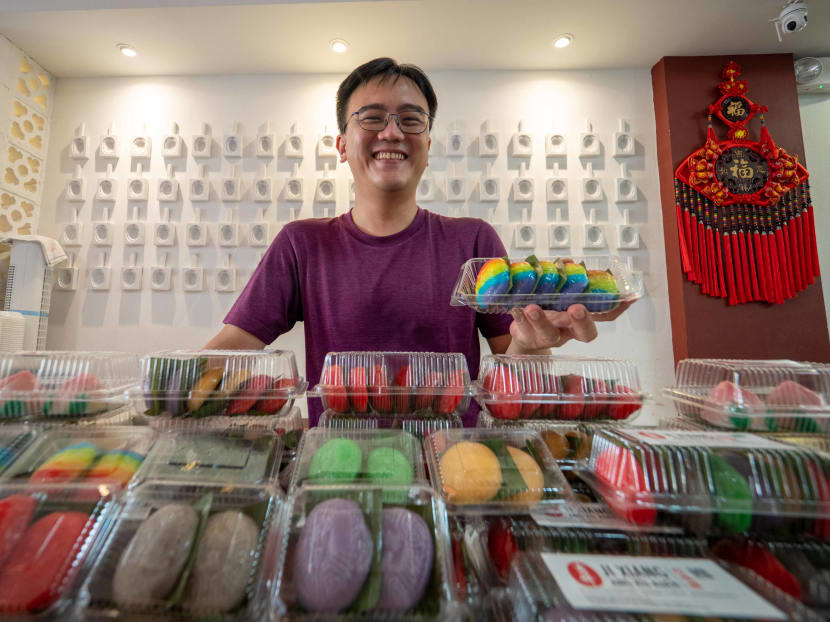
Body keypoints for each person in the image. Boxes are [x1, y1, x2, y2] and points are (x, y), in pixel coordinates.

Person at [205, 57, 629, 426]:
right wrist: (165, 386)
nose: (391, 132)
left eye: (411, 120)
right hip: (336, 467)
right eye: (371, 117)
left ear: (427, 144)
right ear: (341, 144)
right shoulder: (303, 244)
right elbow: (229, 350)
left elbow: (512, 377)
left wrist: (529, 345)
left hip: (453, 466)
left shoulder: (473, 241)